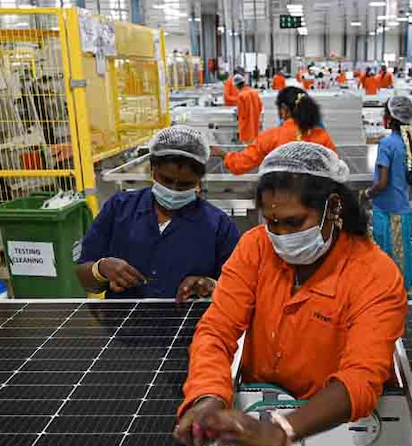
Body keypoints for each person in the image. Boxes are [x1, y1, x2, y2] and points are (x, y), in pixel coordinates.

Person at [174, 141, 409, 446]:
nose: (280, 236)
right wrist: (206, 395)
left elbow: (361, 378)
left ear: (333, 208)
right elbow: (217, 330)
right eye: (271, 222)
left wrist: (283, 429)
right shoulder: (254, 250)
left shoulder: (374, 275)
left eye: (293, 222)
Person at [76, 126, 239, 300]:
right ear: (152, 170)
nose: (173, 189)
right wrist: (101, 269)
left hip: (190, 325)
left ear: (198, 182)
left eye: (185, 184)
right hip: (123, 324)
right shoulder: (119, 209)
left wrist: (210, 284)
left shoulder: (218, 226)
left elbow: (238, 286)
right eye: (166, 180)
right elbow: (85, 277)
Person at [214, 87, 338, 175]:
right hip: (314, 207)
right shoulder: (322, 137)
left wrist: (223, 154)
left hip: (279, 207)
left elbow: (241, 164)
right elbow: (335, 169)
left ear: (284, 109)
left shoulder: (270, 137)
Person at [365, 96, 412, 296]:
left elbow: (383, 183)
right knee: (403, 256)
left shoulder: (387, 144)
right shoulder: (410, 143)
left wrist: (367, 194)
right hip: (402, 209)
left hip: (386, 210)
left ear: (390, 118)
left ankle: (388, 296)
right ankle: (402, 293)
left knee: (385, 257)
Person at [235, 75, 263, 144]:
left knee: (247, 147)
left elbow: (242, 113)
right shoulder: (254, 92)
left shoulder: (241, 95)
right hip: (255, 124)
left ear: (237, 85)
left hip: (246, 127)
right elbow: (260, 106)